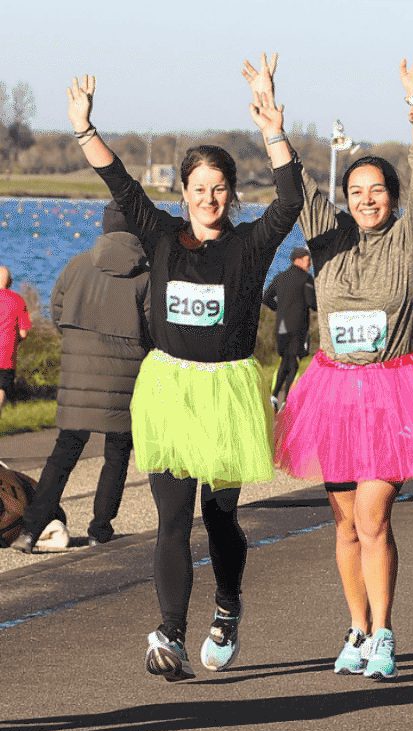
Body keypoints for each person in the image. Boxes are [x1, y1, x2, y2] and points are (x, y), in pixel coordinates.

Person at [67, 57, 303, 681]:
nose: (208, 197)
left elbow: (291, 201)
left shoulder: (252, 246)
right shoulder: (163, 236)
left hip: (226, 397)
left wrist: (274, 128)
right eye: (198, 188)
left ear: (232, 193)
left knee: (220, 516)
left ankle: (227, 609)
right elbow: (121, 187)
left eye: (219, 187)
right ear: (184, 193)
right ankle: (168, 633)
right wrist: (85, 130)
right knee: (172, 519)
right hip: (170, 392)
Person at [266, 50, 413, 680]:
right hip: (332, 392)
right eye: (355, 192)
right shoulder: (326, 240)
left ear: (391, 199)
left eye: (374, 191)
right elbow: (295, 184)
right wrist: (274, 128)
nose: (365, 200)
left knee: (372, 514)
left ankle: (385, 633)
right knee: (342, 523)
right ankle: (356, 628)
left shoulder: (412, 237)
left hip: (394, 392)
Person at [11, 203, 149, 554]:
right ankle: (100, 529)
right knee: (117, 453)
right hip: (125, 376)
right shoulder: (145, 274)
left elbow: (57, 312)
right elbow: (153, 328)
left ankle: (30, 530)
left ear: (104, 228)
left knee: (64, 452)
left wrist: (78, 344)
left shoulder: (77, 264)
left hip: (78, 372)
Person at [261, 246, 315, 409]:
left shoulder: (280, 277)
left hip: (282, 326)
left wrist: (280, 309)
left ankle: (274, 396)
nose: (310, 264)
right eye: (308, 260)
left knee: (286, 359)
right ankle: (286, 400)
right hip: (298, 327)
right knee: (295, 361)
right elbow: (313, 303)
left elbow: (266, 298)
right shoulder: (306, 279)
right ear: (298, 260)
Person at [0, 266, 31, 416]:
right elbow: (24, 333)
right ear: (10, 282)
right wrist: (15, 340)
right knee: (1, 387)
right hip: (6, 354)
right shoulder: (17, 300)